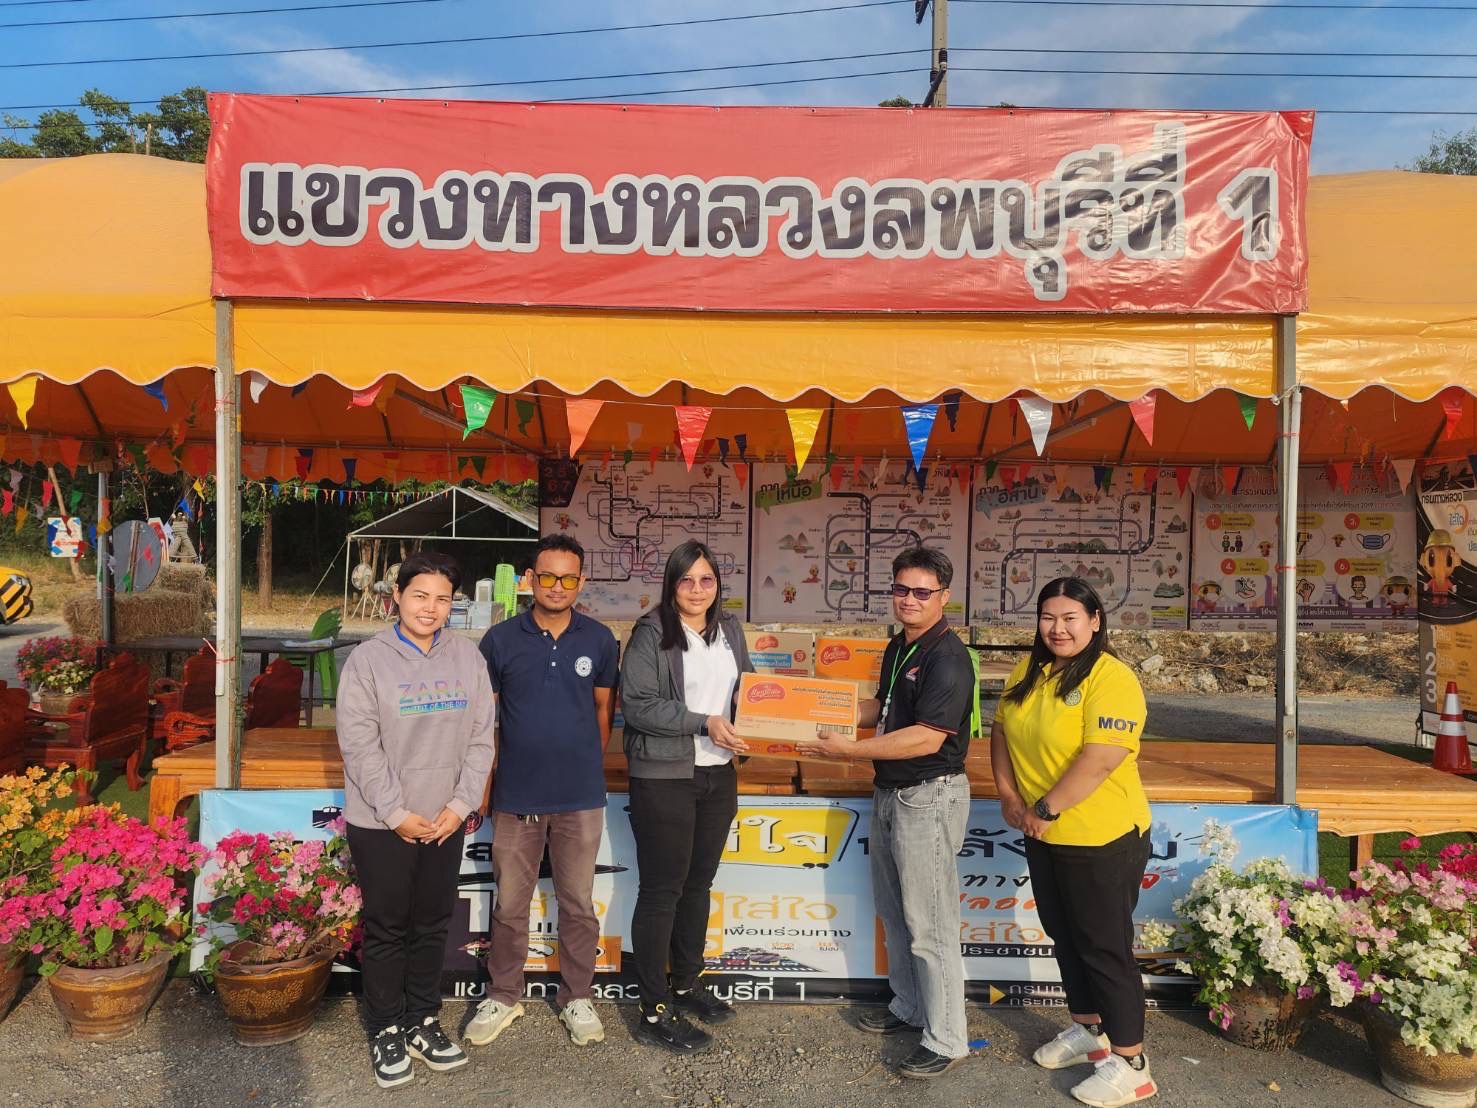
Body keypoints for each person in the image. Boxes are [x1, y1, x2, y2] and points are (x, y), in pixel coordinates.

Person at [799, 546, 975, 1080]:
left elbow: (927, 736)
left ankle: (947, 1038)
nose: (909, 600)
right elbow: (883, 706)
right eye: (902, 589)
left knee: (931, 924)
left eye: (922, 592)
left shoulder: (948, 657)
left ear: (944, 596)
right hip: (892, 792)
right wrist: (816, 713)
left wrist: (849, 751)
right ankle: (911, 1007)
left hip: (929, 795)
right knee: (896, 912)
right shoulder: (900, 645)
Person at [991, 576, 1157, 1107]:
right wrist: (1009, 795)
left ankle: (1132, 1063)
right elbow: (1000, 730)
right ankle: (1089, 1030)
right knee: (1065, 935)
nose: (1057, 629)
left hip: (1101, 836)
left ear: (1095, 621)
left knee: (1104, 947)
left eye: (1070, 618)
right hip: (1042, 830)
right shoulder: (1029, 669)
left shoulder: (1112, 678)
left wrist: (1045, 808)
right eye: (1048, 617)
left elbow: (1101, 758)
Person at [336, 551, 496, 1089]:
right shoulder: (367, 661)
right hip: (383, 822)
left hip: (445, 820)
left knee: (431, 923)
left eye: (442, 599)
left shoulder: (468, 658)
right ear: (398, 597)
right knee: (387, 926)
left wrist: (459, 805)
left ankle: (422, 1021)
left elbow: (482, 739)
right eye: (420, 595)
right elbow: (360, 748)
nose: (430, 607)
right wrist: (396, 813)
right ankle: (385, 1028)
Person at [467, 535, 618, 1049]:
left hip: (580, 797)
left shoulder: (600, 640)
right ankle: (503, 995)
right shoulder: (499, 640)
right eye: (548, 576)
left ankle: (577, 996)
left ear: (582, 582)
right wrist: (488, 781)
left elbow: (603, 711)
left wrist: (583, 765)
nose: (557, 587)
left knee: (578, 904)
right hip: (516, 796)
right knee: (511, 905)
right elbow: (485, 722)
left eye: (568, 578)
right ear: (530, 579)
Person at [619, 539, 754, 1054]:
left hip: (718, 775)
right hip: (664, 776)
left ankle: (686, 982)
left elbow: (747, 691)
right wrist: (705, 723)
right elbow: (638, 704)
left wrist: (767, 721)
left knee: (698, 886)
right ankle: (654, 1009)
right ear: (671, 585)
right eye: (686, 580)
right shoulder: (652, 632)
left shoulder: (729, 630)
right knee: (662, 892)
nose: (697, 590)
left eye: (707, 580)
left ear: (718, 584)